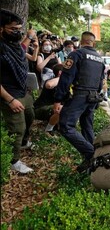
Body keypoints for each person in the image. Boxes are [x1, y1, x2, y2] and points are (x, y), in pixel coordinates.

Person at [53, 31, 105, 173]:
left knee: (65, 125)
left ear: (81, 42)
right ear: (93, 43)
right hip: (94, 97)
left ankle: (91, 154)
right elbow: (101, 82)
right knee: (87, 126)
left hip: (81, 95)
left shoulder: (76, 54)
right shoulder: (100, 59)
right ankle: (91, 162)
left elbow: (66, 78)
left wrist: (58, 99)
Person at [0, 9, 36, 173]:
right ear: (1, 28)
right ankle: (13, 161)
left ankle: (24, 143)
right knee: (17, 129)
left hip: (23, 92)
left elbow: (22, 48)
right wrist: (9, 100)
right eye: (13, 29)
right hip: (9, 95)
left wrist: (28, 38)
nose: (18, 32)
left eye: (19, 29)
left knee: (30, 117)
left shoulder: (13, 45)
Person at [33, 64, 63, 136]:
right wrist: (63, 78)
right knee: (61, 108)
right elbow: (49, 85)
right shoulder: (51, 80)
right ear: (60, 72)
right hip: (40, 108)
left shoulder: (66, 85)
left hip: (53, 110)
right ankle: (48, 130)